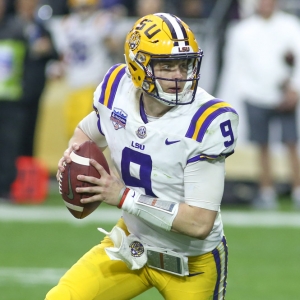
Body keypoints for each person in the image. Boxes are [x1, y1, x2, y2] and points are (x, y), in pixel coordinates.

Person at [46, 13, 239, 299]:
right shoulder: (117, 90)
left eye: (184, 64)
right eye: (167, 65)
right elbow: (87, 133)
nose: (178, 75)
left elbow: (199, 222)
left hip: (191, 264)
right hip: (131, 245)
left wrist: (123, 196)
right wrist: (74, 159)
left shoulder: (205, 120)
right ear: (138, 66)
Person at [217, 0, 300, 209]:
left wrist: (295, 88)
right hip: (255, 95)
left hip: (285, 96)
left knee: (291, 143)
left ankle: (297, 190)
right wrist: (244, 93)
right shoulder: (242, 30)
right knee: (262, 146)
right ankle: (266, 190)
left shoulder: (290, 26)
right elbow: (236, 66)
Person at [50, 0, 117, 139]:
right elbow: (65, 55)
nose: (83, 9)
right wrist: (60, 67)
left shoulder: (102, 20)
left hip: (94, 84)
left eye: (86, 6)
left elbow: (114, 48)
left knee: (86, 133)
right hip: (73, 84)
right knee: (72, 131)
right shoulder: (67, 23)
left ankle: (85, 160)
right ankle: (76, 159)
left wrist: (106, 36)